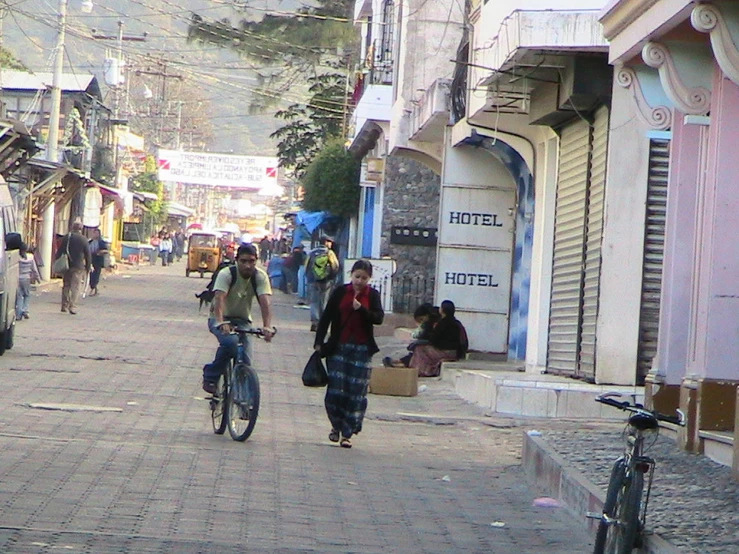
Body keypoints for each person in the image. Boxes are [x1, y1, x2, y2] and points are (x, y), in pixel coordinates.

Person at [314, 259, 384, 449]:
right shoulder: (340, 292)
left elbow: (378, 318)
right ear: (351, 275)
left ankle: (348, 432)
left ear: (369, 278)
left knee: (356, 392)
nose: (359, 281)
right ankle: (335, 426)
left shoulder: (373, 296)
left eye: (364, 278)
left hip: (361, 349)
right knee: (336, 389)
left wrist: (362, 310)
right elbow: (326, 317)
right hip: (339, 347)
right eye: (357, 277)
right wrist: (319, 342)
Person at [202, 243, 275, 394]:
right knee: (231, 342)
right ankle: (211, 376)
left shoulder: (260, 277)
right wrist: (221, 322)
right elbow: (219, 299)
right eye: (243, 261)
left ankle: (244, 401)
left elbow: (265, 302)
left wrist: (267, 326)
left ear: (256, 260)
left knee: (245, 359)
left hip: (242, 320)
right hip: (219, 317)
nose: (247, 266)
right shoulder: (227, 274)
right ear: (237, 260)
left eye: (251, 261)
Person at [410, 299, 464, 377]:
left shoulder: (442, 323)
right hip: (455, 353)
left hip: (446, 353)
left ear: (442, 310)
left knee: (419, 349)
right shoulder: (456, 323)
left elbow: (434, 340)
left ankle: (424, 370)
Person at [383, 302, 439, 368]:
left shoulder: (435, 323)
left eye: (422, 319)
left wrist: (419, 342)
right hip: (434, 346)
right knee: (417, 350)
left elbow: (431, 338)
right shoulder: (428, 323)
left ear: (427, 315)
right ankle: (399, 362)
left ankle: (401, 364)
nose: (422, 322)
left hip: (438, 347)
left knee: (419, 350)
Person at [55, 221, 91, 315]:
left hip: (67, 265)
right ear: (81, 229)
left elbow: (60, 251)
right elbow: (88, 254)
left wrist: (56, 262)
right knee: (75, 287)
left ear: (72, 227)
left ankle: (64, 305)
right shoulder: (83, 239)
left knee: (66, 285)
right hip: (78, 267)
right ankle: (72, 306)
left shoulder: (67, 237)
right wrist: (88, 267)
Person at [306, 236, 339, 332]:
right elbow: (335, 266)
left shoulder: (311, 253)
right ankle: (322, 322)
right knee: (323, 302)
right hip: (325, 281)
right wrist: (331, 278)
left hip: (312, 281)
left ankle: (314, 323)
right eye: (330, 242)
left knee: (314, 302)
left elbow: (306, 266)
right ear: (326, 242)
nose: (331, 244)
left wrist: (310, 278)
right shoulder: (329, 253)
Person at [15, 242, 40, 320]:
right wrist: (37, 278)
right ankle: (25, 310)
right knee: (27, 295)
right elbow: (34, 269)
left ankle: (18, 314)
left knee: (19, 296)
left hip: (18, 278)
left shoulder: (17, 258)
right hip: (26, 278)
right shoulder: (30, 257)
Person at [88, 228, 108, 296]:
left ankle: (93, 288)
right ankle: (94, 288)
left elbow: (106, 250)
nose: (95, 235)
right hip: (91, 261)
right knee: (91, 275)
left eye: (97, 233)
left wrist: (100, 252)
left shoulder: (101, 242)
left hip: (98, 261)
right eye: (94, 233)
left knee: (96, 275)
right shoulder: (90, 242)